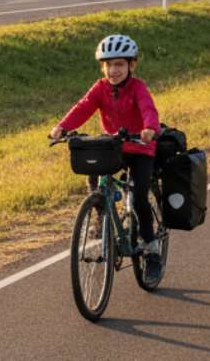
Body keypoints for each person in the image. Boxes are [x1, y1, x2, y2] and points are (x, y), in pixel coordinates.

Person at [50, 35, 164, 283]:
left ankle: (152, 251)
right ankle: (100, 212)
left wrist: (149, 129)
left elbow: (148, 109)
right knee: (93, 171)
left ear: (131, 65)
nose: (113, 70)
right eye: (108, 65)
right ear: (103, 67)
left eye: (119, 64)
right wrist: (62, 127)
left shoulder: (138, 87)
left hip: (140, 148)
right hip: (113, 146)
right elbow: (83, 107)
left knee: (139, 198)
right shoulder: (100, 87)